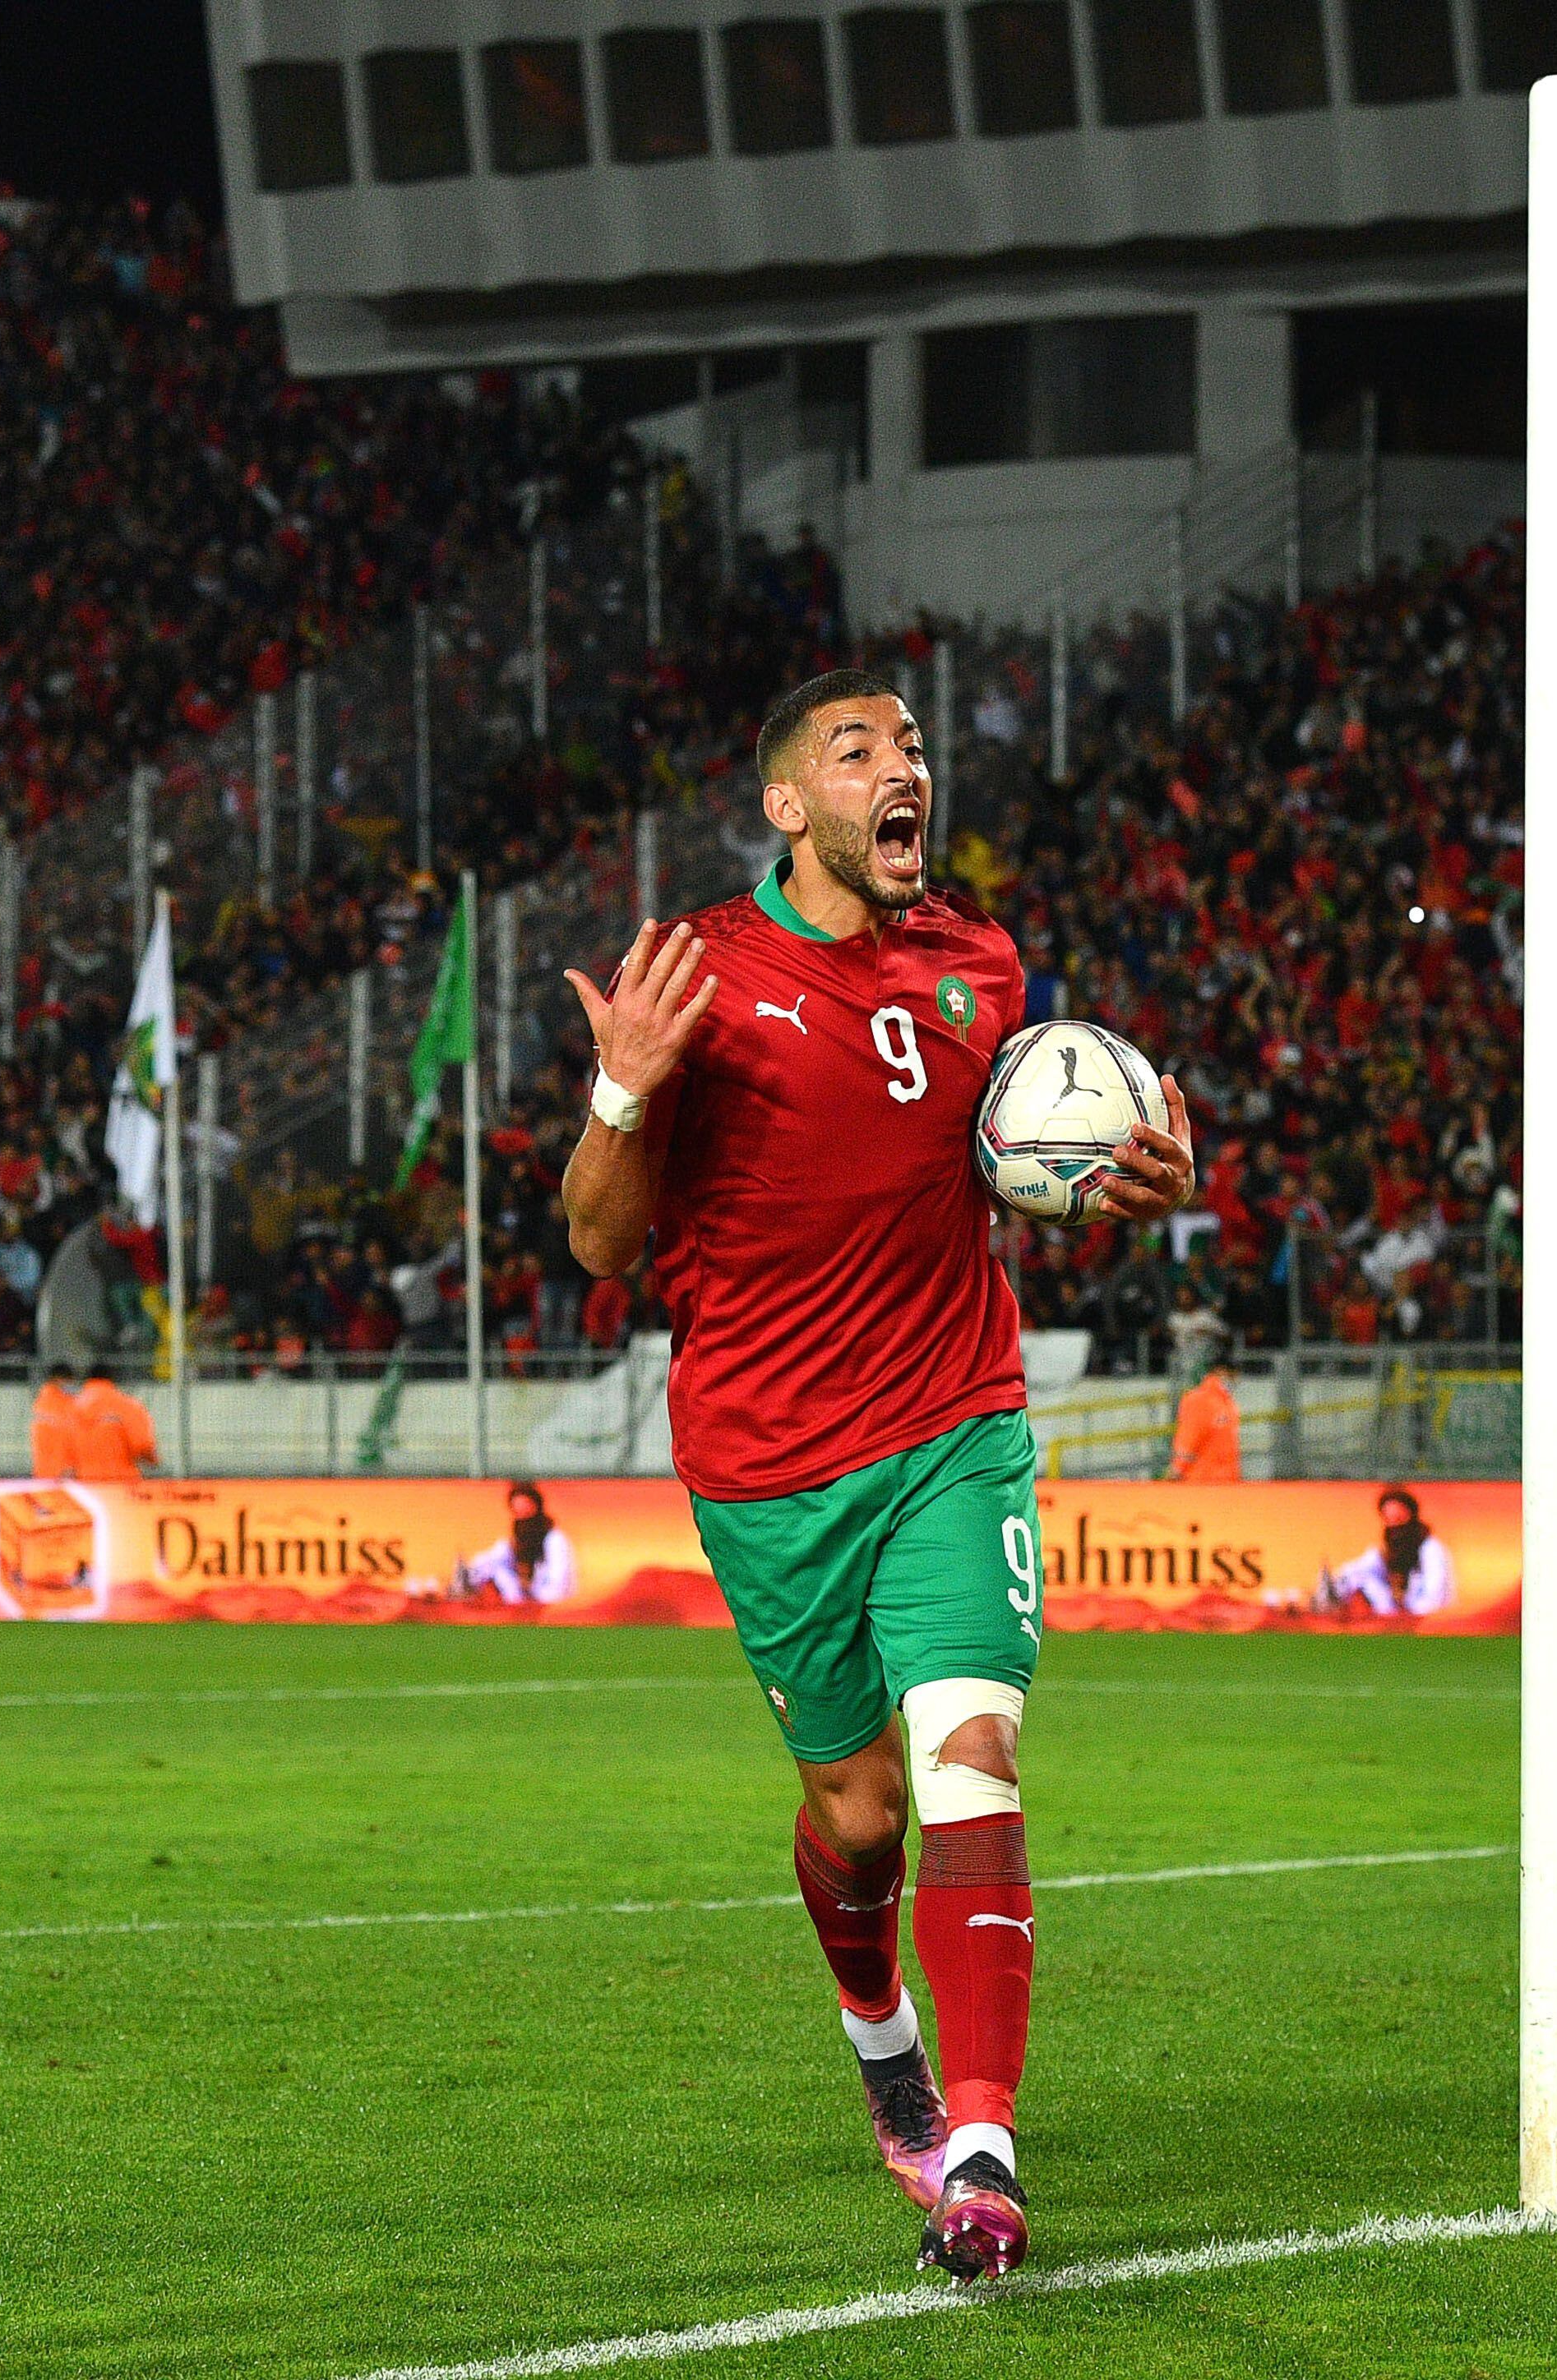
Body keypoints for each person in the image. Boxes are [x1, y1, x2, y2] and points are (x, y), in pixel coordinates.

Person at [560, 668, 1192, 2281]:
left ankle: (977, 2143)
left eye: (911, 745)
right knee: (857, 1810)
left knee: (969, 1748)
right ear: (787, 804)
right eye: (858, 749)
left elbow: (1030, 1154)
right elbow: (598, 1237)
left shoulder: (984, 965)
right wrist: (625, 1085)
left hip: (950, 1424)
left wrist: (1123, 1182)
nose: (902, 767)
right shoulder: (704, 977)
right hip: (766, 1459)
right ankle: (879, 2033)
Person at [1320, 1487, 1457, 1617]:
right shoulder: (1385, 1551)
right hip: (1397, 1615)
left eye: (1399, 1518)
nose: (1395, 1526)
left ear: (1411, 1514)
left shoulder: (1431, 1549)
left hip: (1429, 1619)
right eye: (1389, 1519)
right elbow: (1355, 1571)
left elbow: (1434, 1598)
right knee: (1360, 1576)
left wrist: (1407, 1616)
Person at [458, 1481, 577, 1606]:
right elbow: (486, 1562)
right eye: (518, 1512)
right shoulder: (513, 1543)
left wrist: (531, 1599)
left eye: (526, 1509)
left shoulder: (555, 1540)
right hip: (525, 1603)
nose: (523, 1518)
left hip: (553, 1607)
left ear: (536, 1507)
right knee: (496, 1569)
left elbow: (559, 1587)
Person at [68, 1363, 157, 1482]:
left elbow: (62, 1449)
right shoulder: (127, 1405)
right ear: (112, 1379)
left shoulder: (70, 1408)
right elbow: (143, 1444)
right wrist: (152, 1459)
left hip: (83, 1483)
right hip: (122, 1480)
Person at [1168, 1348, 1241, 1484]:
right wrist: (1176, 1470)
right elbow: (1187, 1440)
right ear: (1220, 1371)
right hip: (1200, 1482)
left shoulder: (1229, 1404)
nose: (1237, 1380)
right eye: (1234, 1375)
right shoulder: (1199, 1400)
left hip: (1226, 1482)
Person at [30, 1363, 81, 1476]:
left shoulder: (40, 1403)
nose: (72, 1385)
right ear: (59, 1379)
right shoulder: (66, 1403)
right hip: (63, 1470)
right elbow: (68, 1436)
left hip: (42, 1469)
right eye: (70, 1381)